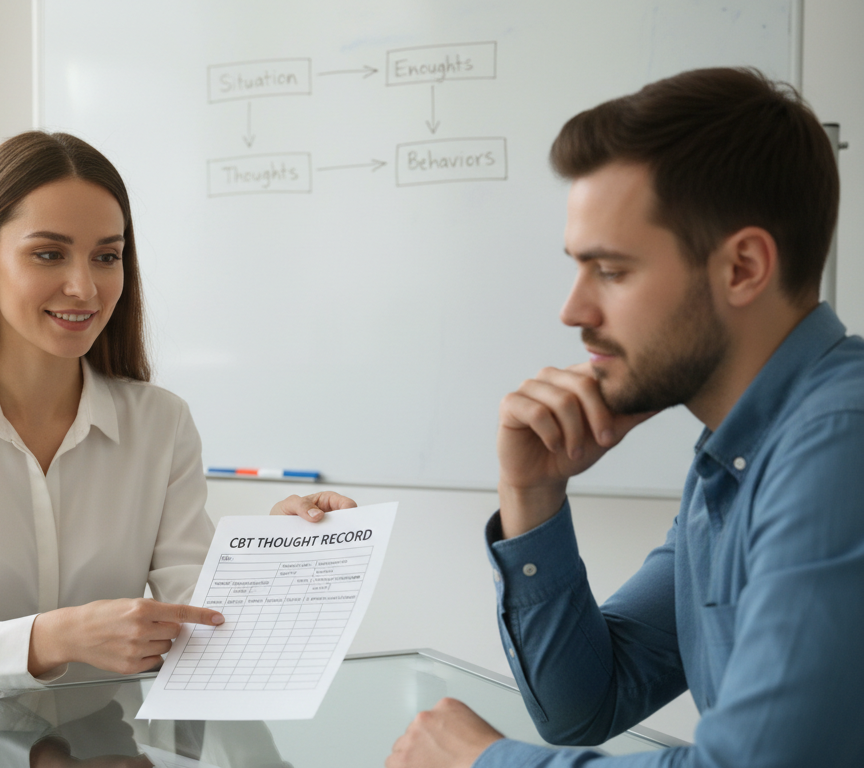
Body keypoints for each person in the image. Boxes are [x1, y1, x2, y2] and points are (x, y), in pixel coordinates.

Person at [276, 67, 864, 766]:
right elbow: (586, 705)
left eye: (611, 271)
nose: (573, 311)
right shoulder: (736, 456)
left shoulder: (839, 444)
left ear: (742, 268)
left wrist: (481, 761)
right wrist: (533, 494)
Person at [0, 131, 223, 700]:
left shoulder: (162, 424)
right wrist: (56, 638)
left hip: (105, 746)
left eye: (107, 256)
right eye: (48, 254)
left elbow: (202, 623)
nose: (84, 288)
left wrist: (278, 551)